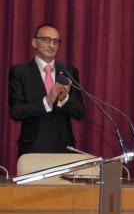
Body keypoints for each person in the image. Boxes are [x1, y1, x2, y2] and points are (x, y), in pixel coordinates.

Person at [8, 24, 85, 158]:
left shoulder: (68, 71)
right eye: (46, 40)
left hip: (64, 148)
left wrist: (64, 99)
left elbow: (79, 112)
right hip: (33, 149)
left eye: (55, 41)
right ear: (34, 42)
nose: (51, 45)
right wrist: (47, 101)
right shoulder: (20, 72)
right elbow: (16, 111)